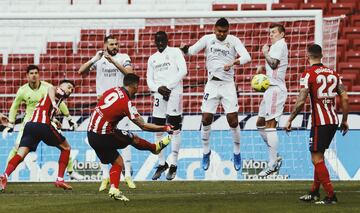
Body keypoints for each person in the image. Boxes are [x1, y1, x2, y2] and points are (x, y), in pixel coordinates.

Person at [87, 73, 173, 201]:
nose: (138, 90)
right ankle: (154, 148)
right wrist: (165, 128)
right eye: (138, 87)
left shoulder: (112, 90)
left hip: (91, 134)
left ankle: (114, 189)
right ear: (134, 86)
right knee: (134, 138)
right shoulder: (126, 102)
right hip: (104, 134)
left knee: (118, 162)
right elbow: (143, 125)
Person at [180, 17, 251, 171]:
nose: (221, 34)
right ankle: (206, 152)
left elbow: (247, 57)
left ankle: (237, 152)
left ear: (228, 30)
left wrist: (233, 62)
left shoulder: (233, 40)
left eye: (224, 32)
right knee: (206, 119)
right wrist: (184, 48)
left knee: (233, 120)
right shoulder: (207, 39)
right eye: (219, 31)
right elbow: (191, 52)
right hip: (211, 85)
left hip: (228, 85)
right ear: (214, 29)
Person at [285, 44, 349, 205]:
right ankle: (314, 192)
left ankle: (331, 195)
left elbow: (301, 100)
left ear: (308, 56)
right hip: (333, 120)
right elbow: (346, 98)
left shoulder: (308, 74)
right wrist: (345, 120)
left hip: (320, 122)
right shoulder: (334, 74)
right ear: (321, 56)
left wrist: (290, 119)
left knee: (316, 158)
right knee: (318, 156)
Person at [2, 65, 82, 180]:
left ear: (39, 74)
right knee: (64, 146)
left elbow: (59, 104)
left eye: (36, 73)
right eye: (31, 73)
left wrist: (67, 117)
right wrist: (11, 122)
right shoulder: (23, 90)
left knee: (63, 145)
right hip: (31, 121)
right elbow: (14, 106)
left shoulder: (46, 86)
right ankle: (5, 175)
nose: (34, 75)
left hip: (45, 120)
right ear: (27, 76)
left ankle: (70, 171)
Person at [78, 35, 136, 190]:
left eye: (117, 43)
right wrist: (94, 59)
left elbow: (130, 75)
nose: (115, 46)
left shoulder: (124, 57)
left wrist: (114, 62)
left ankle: (128, 176)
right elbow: (80, 72)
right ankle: (105, 177)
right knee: (102, 141)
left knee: (126, 139)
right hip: (103, 107)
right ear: (105, 45)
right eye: (111, 44)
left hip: (120, 105)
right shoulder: (99, 58)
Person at [147, 31, 187, 180]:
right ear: (154, 41)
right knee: (157, 129)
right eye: (157, 40)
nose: (160, 42)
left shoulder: (176, 52)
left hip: (174, 93)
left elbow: (183, 71)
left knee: (174, 128)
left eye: (163, 40)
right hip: (159, 95)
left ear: (167, 40)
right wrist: (158, 89)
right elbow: (149, 80)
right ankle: (162, 163)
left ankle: (174, 164)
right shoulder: (152, 59)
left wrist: (168, 87)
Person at [255, 23, 288, 177]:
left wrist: (265, 53)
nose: (271, 35)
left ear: (282, 34)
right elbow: (273, 65)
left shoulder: (280, 45)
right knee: (260, 123)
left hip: (275, 89)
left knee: (270, 125)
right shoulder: (276, 46)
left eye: (274, 32)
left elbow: (274, 64)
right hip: (269, 89)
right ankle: (274, 156)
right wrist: (263, 68)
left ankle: (272, 163)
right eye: (270, 32)